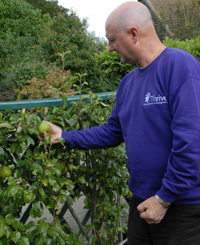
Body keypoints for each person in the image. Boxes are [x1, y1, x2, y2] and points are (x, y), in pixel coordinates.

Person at [39, 1, 200, 244]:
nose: (109, 48)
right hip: (142, 202)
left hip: (182, 206)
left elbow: (192, 141)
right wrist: (64, 136)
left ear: (134, 34)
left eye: (112, 40)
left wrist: (164, 198)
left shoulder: (181, 67)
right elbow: (112, 132)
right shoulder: (128, 83)